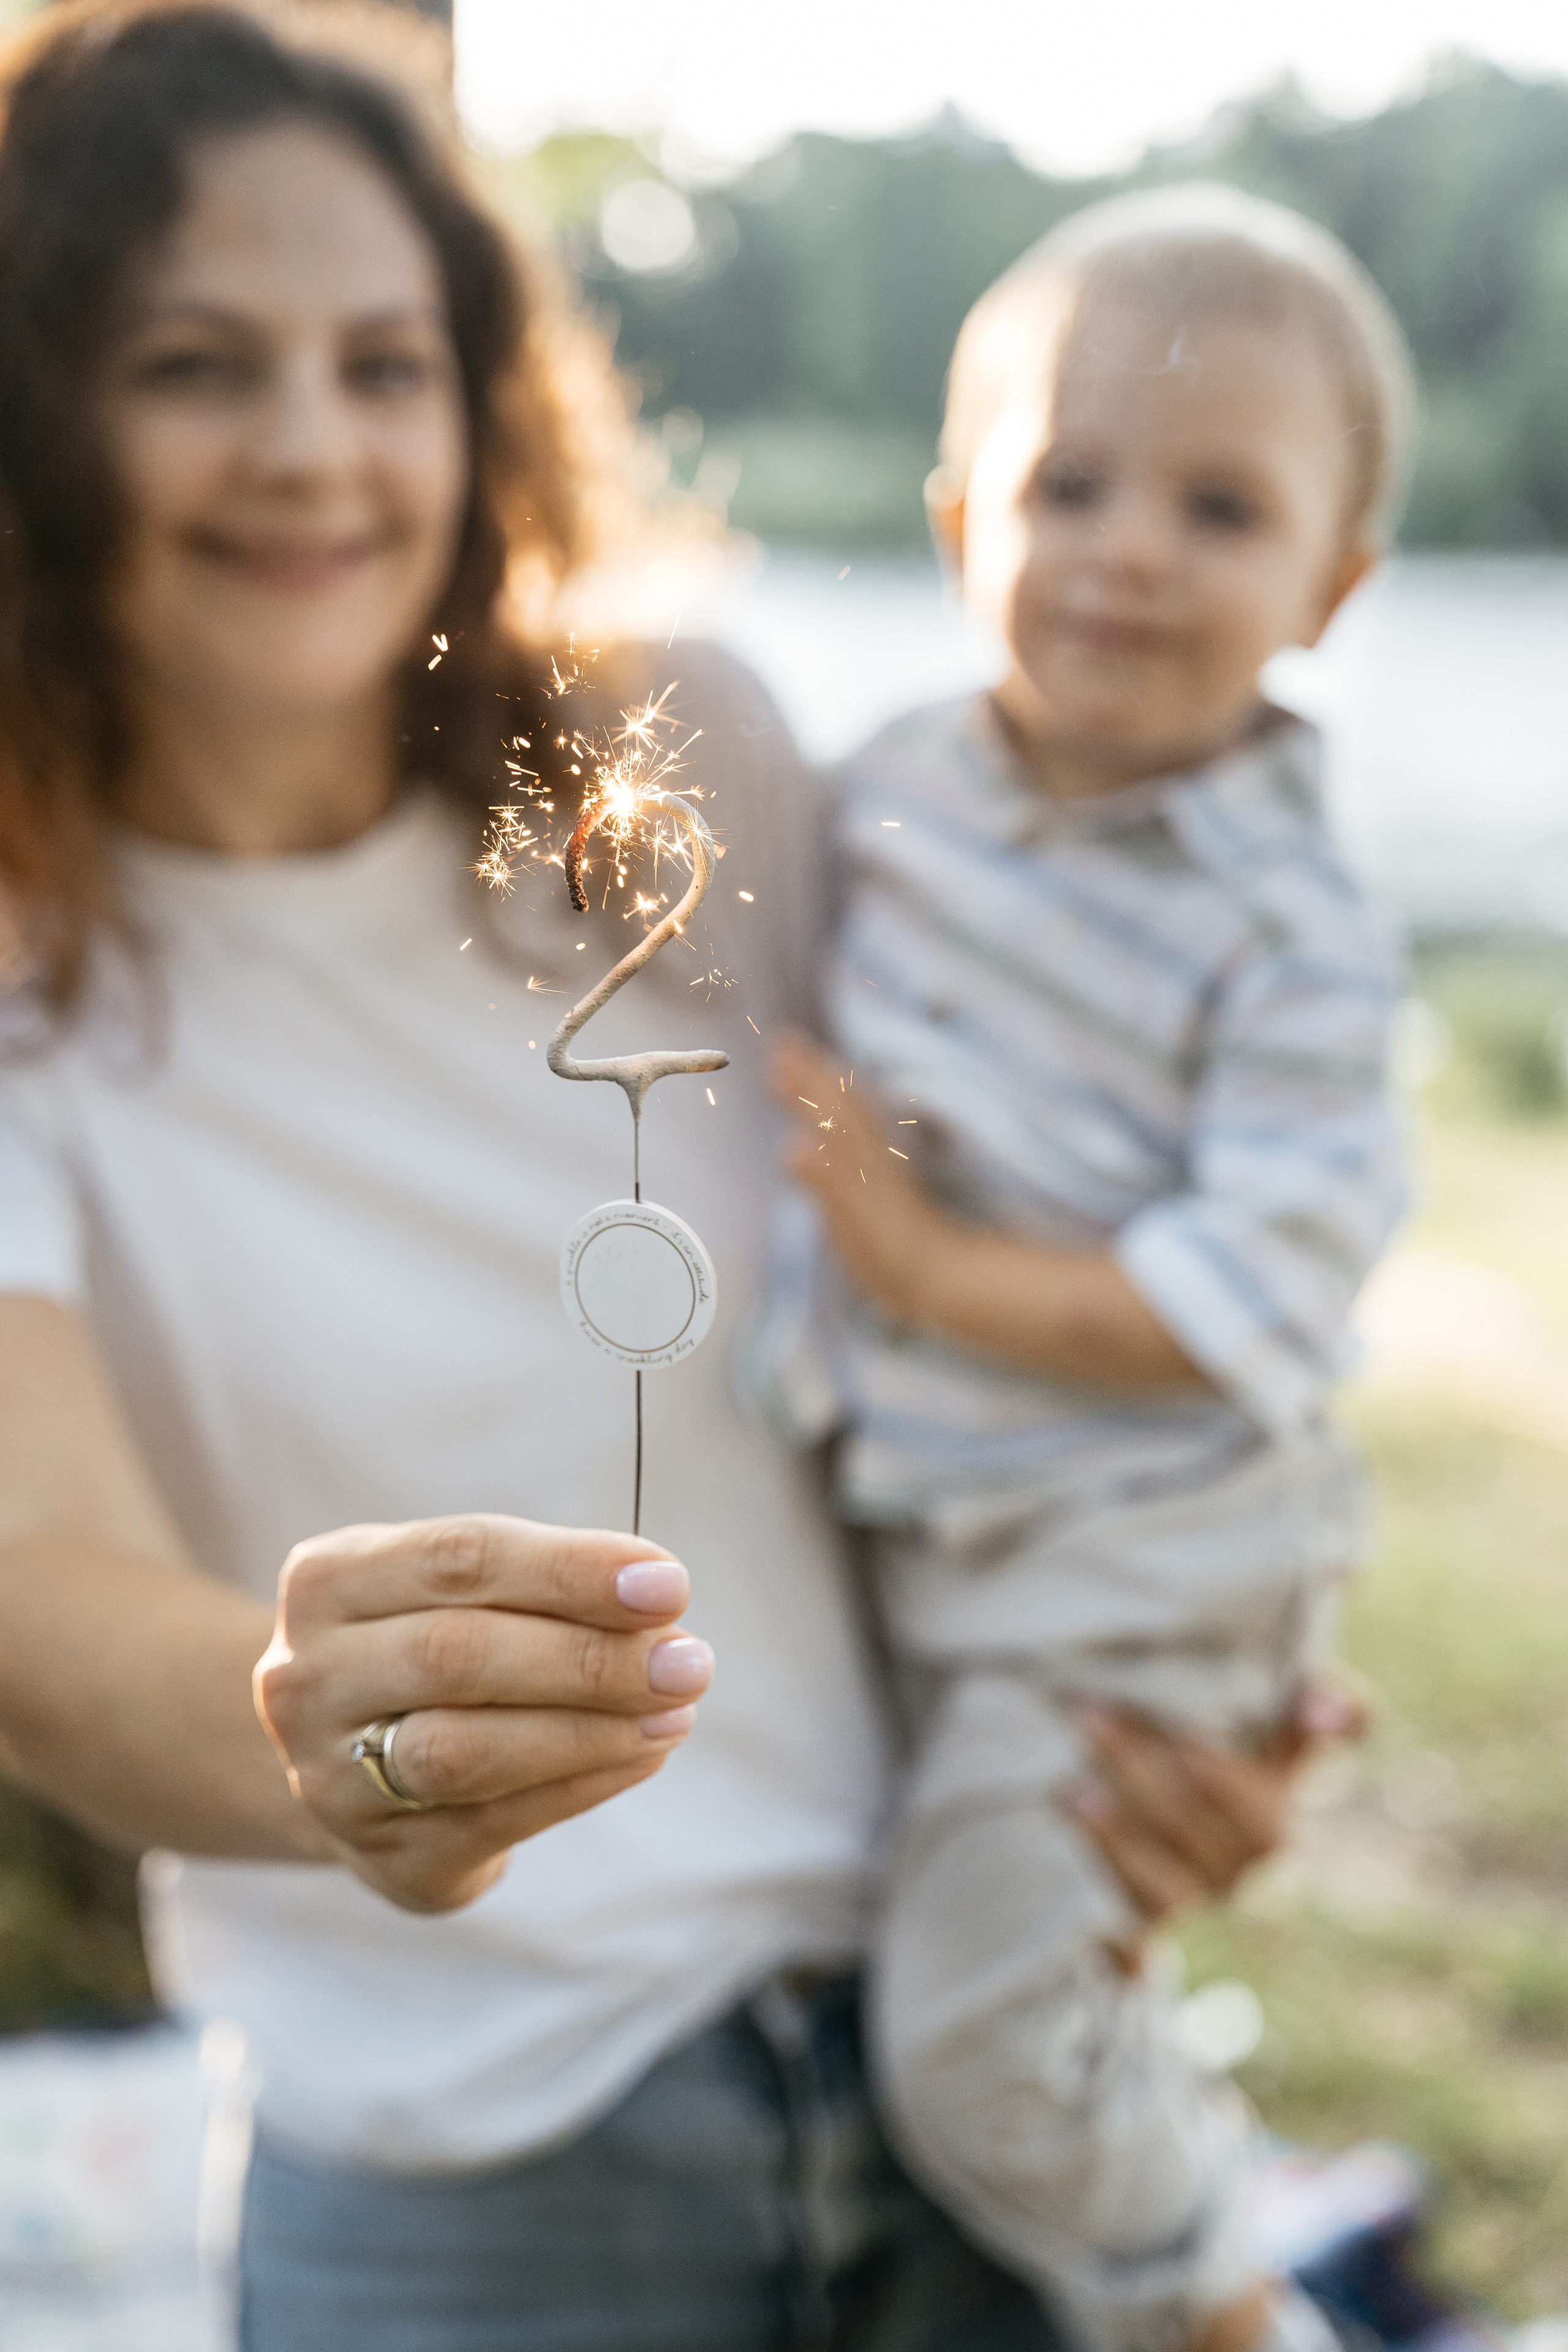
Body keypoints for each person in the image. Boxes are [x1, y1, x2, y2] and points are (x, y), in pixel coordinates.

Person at [0, 10, 1352, 2345]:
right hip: (478, 2171)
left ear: (477, 395)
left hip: (961, 2041)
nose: (312, 447)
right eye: (197, 364)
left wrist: (1170, 1687)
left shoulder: (669, 759)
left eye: (383, 362)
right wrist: (320, 1732)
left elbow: (1029, 1179)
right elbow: (37, 1595)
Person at [769, 187, 1411, 2352]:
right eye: (1071, 484)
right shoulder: (878, 798)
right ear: (963, 521)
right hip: (948, 1534)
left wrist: (930, 1274)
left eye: (1217, 507)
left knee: (975, 2041)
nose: (1128, 546)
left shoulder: (1287, 922)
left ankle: (1220, 2299)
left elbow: (1259, 1300)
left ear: (1330, 586)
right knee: (1001, 1979)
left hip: (1137, 1565)